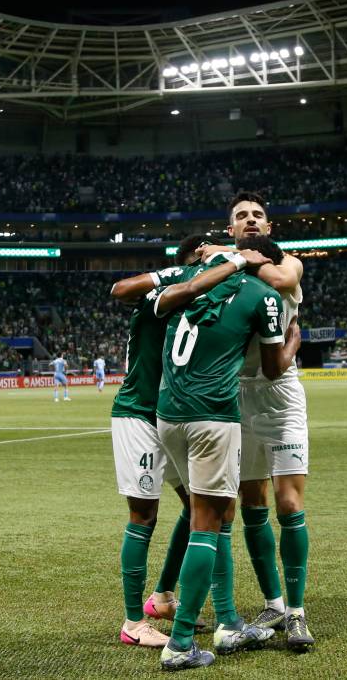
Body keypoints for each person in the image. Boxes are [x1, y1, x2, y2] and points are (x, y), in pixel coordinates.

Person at [107, 234, 271, 650]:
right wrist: (228, 265)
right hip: (139, 413)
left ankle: (165, 598)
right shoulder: (169, 293)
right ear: (197, 260)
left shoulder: (202, 297)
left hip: (172, 414)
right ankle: (133, 622)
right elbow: (123, 289)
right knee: (144, 515)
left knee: (204, 511)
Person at [155, 236, 300, 671]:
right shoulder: (264, 295)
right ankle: (181, 642)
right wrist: (294, 339)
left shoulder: (192, 279)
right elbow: (273, 368)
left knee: (212, 516)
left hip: (167, 413)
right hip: (212, 415)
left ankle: (228, 621)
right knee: (210, 522)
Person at [201, 192, 315, 651]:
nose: (250, 220)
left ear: (268, 227)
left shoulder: (289, 263)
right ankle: (273, 602)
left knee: (289, 505)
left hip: (283, 396)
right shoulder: (222, 271)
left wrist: (236, 258)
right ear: (230, 227)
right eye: (241, 217)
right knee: (251, 504)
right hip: (237, 395)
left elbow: (282, 275)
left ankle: (299, 612)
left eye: (257, 216)